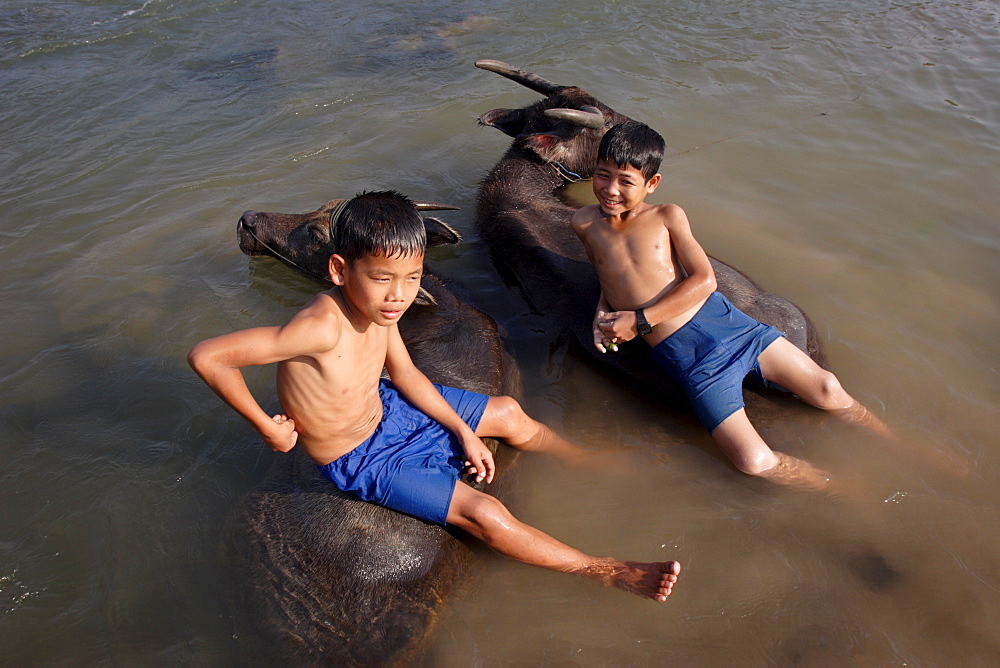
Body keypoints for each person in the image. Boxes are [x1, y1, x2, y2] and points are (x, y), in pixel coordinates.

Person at [189, 190, 680, 601]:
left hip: (390, 410)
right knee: (483, 513)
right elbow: (209, 355)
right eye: (382, 279)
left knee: (509, 413)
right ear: (339, 269)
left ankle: (581, 458)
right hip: (360, 454)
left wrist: (463, 431)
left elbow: (404, 374)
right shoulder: (318, 327)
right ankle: (602, 569)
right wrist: (266, 426)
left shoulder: (383, 311)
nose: (398, 295)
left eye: (412, 278)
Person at [571, 122, 893, 489]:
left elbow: (704, 279)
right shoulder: (583, 223)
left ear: (652, 184)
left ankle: (896, 443)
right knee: (753, 461)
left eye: (626, 181)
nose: (610, 189)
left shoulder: (667, 216)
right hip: (693, 360)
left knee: (829, 389)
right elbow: (605, 274)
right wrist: (602, 311)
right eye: (602, 175)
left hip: (732, 327)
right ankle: (841, 488)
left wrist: (639, 322)